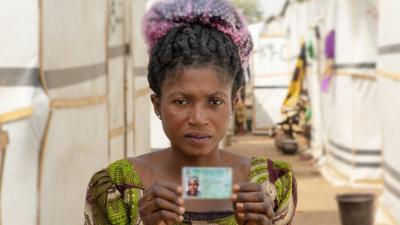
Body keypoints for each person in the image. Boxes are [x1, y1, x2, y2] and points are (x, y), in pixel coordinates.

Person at [84, 0, 297, 224]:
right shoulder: (117, 187)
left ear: (234, 104)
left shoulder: (271, 185)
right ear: (157, 105)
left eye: (214, 101)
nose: (198, 118)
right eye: (181, 101)